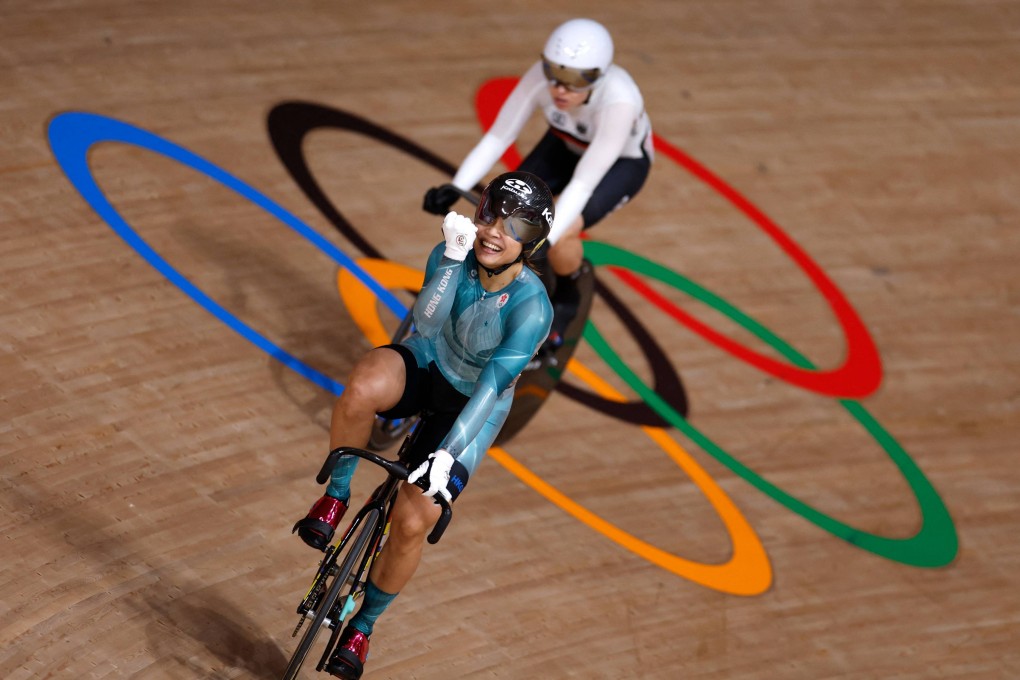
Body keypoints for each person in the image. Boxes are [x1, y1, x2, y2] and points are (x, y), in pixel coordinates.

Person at [293, 171, 555, 680]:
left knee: (414, 521)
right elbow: (427, 325)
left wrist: (448, 450)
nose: (495, 232)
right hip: (430, 362)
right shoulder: (454, 252)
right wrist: (451, 264)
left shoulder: (532, 309)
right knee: (363, 386)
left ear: (532, 245)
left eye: (515, 228)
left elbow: (490, 387)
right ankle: (336, 495)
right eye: (490, 215)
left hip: (472, 408)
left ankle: (362, 626)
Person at [423, 17, 653, 351]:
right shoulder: (542, 79)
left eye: (575, 82)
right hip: (563, 144)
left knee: (559, 234)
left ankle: (567, 299)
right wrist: (455, 184)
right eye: (554, 75)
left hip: (619, 164)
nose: (560, 89)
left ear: (598, 77)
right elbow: (499, 135)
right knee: (509, 204)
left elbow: (584, 184)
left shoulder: (620, 102)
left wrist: (548, 236)